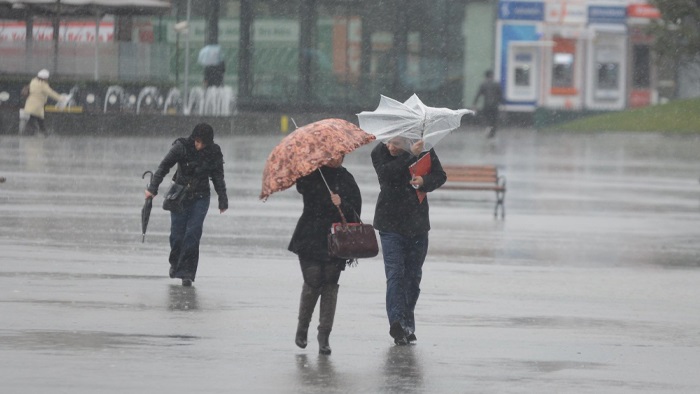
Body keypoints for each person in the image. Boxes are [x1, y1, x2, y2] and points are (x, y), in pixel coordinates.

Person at [371, 136, 446, 345]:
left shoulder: (425, 150)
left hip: (417, 225)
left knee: (413, 278)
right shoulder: (379, 152)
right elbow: (387, 175)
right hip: (390, 224)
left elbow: (440, 175)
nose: (390, 146)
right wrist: (410, 155)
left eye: (395, 143)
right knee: (395, 274)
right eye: (389, 142)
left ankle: (407, 324)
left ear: (405, 139)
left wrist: (425, 182)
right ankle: (396, 323)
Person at [289, 156, 362, 355]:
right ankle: (302, 328)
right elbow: (302, 187)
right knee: (313, 281)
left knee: (330, 284)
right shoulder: (311, 174)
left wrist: (342, 203)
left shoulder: (346, 178)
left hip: (335, 239)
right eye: (333, 154)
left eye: (341, 155)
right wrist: (309, 168)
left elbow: (356, 211)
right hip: (309, 235)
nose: (337, 158)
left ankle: (324, 334)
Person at [145, 123, 228, 287]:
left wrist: (223, 199)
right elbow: (164, 167)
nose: (199, 146)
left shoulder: (214, 152)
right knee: (177, 235)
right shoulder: (181, 147)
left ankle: (187, 273)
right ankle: (175, 263)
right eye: (197, 142)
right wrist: (152, 189)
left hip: (201, 197)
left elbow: (218, 177)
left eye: (203, 143)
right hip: (179, 196)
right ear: (193, 138)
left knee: (193, 233)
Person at [23, 69, 65, 136]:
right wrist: (61, 98)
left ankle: (43, 132)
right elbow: (51, 93)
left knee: (38, 119)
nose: (47, 79)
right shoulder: (42, 85)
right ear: (45, 78)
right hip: (37, 105)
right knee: (34, 119)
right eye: (47, 78)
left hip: (32, 103)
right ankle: (29, 132)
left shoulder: (33, 81)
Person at [472, 70, 503, 138]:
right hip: (495, 106)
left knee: (487, 118)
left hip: (487, 105)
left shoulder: (483, 84)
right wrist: (502, 104)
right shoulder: (496, 84)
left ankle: (488, 128)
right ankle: (492, 132)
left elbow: (478, 94)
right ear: (492, 76)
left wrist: (474, 104)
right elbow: (500, 95)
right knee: (494, 120)